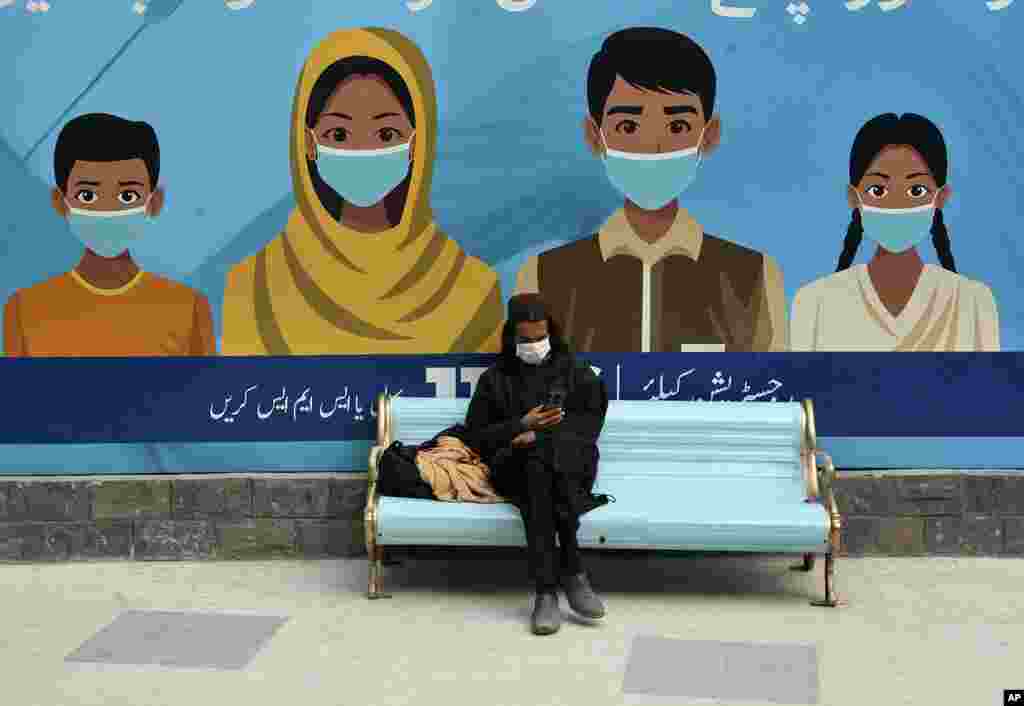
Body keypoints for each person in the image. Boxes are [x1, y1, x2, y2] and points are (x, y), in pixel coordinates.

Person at [221, 28, 504, 355]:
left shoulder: (473, 290)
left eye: (386, 133)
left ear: (417, 143)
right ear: (309, 143)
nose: (362, 150)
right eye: (338, 134)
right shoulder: (253, 288)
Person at [514, 27, 786, 353]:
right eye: (628, 127)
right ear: (594, 135)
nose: (653, 146)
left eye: (677, 126)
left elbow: (774, 395)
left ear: (709, 135)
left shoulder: (752, 276)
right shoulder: (544, 276)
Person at [3, 113, 215, 357]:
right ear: (60, 202)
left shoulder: (189, 310)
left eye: (127, 196)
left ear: (153, 202)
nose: (107, 211)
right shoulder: (24, 311)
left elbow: (205, 393)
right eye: (88, 195)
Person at [465, 293, 613, 636]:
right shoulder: (496, 378)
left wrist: (542, 438)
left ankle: (546, 592)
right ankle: (573, 573)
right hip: (513, 468)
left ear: (552, 333)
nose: (534, 345)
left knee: (542, 470)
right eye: (526, 340)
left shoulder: (574, 370)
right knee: (536, 469)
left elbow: (589, 425)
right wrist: (521, 425)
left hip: (568, 463)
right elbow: (476, 435)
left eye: (540, 338)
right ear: (512, 337)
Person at [790, 113, 1000, 351]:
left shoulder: (973, 303)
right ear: (853, 197)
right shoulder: (814, 304)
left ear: (940, 197)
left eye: (916, 190)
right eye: (878, 190)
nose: (897, 204)